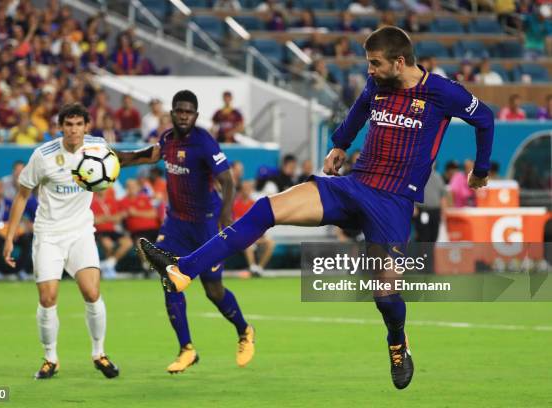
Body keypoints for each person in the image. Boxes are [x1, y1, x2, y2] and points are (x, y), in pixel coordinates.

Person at [140, 27, 493, 390]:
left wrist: (480, 171)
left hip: (393, 202)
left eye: (375, 63)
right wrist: (340, 144)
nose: (369, 70)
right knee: (266, 210)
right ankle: (183, 270)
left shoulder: (442, 92)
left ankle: (398, 343)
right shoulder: (377, 86)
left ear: (399, 62)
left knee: (385, 295)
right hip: (355, 185)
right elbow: (360, 110)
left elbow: (485, 118)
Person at [127, 90, 255, 373]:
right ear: (172, 113)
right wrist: (119, 159)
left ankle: (245, 331)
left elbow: (227, 180)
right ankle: (187, 348)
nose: (183, 115)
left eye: (189, 112)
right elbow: (151, 154)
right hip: (176, 223)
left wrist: (225, 217)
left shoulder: (204, 142)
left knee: (213, 289)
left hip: (206, 225)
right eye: (179, 111)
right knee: (169, 277)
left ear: (195, 116)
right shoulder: (167, 139)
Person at [2, 103, 121, 380]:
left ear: (87, 126)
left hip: (81, 233)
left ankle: (99, 353)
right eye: (69, 125)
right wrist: (10, 236)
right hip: (49, 235)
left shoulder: (96, 147)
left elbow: (117, 160)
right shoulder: (43, 156)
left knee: (92, 293)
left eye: (79, 124)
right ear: (61, 127)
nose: (74, 130)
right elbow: (22, 195)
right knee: (48, 298)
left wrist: (147, 155)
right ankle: (50, 358)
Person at [0, 180, 32, 281]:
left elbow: (17, 218)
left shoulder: (9, 202)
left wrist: (14, 232)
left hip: (10, 232)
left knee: (26, 239)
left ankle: (21, 270)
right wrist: (3, 234)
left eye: (0, 187)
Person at [233, 180, 275, 277]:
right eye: (245, 189)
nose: (247, 191)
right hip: (242, 237)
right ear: (241, 190)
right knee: (248, 244)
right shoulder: (235, 205)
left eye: (249, 188)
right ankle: (252, 268)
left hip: (256, 236)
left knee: (270, 243)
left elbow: (260, 222)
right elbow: (235, 225)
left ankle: (259, 269)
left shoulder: (255, 204)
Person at [91, 190, 132, 279]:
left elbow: (117, 218)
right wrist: (109, 218)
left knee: (127, 242)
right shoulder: (91, 201)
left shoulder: (111, 201)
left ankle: (109, 264)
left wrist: (103, 218)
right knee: (108, 245)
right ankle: (108, 269)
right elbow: (93, 220)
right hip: (98, 230)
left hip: (111, 230)